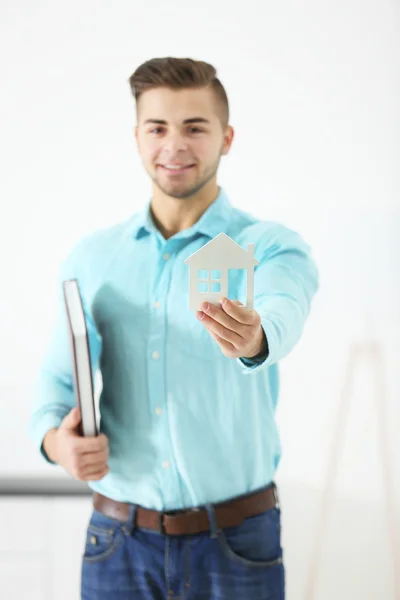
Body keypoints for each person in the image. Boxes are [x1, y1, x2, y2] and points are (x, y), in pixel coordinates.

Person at [28, 56, 319, 600]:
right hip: (117, 543)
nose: (174, 145)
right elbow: (55, 379)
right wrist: (55, 442)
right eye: (158, 127)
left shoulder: (269, 246)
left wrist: (255, 337)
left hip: (236, 543)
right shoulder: (91, 258)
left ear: (226, 138)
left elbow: (285, 306)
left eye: (195, 127)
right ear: (137, 137)